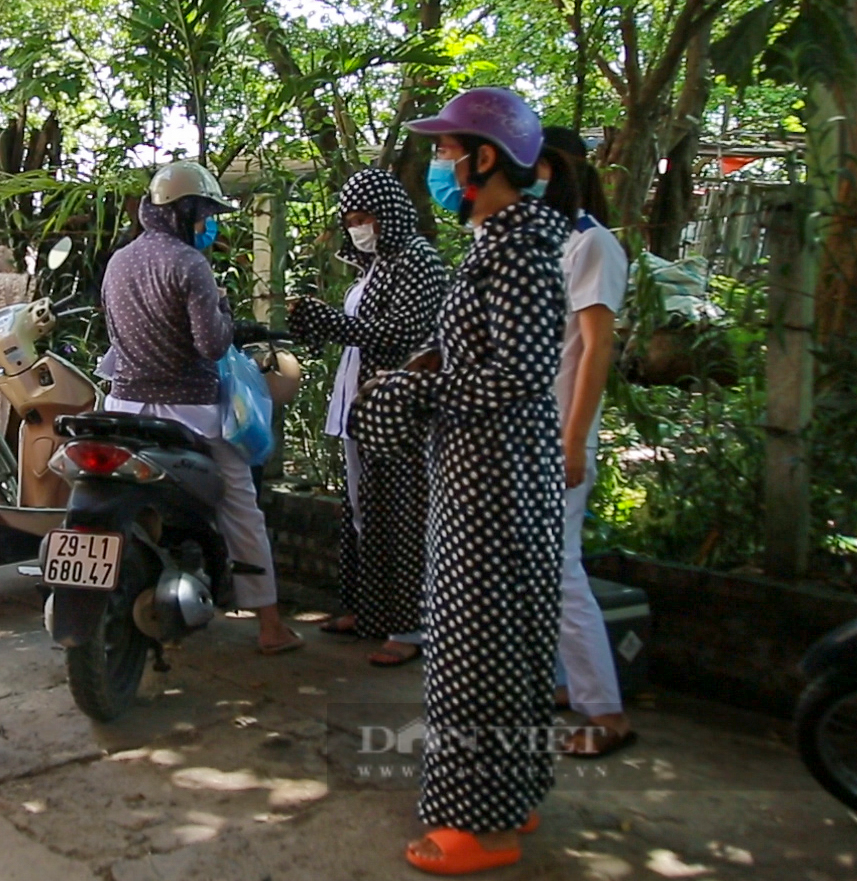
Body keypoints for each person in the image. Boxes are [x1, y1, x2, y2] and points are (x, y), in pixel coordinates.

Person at [349, 88, 575, 875]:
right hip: (482, 472)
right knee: (504, 645)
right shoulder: (497, 244)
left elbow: (517, 372)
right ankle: (510, 794)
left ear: (483, 159)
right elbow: (476, 352)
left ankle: (478, 828)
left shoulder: (517, 249)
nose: (438, 166)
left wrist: (419, 391)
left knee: (472, 653)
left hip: (493, 482)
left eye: (446, 152)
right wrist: (426, 365)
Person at [99, 160, 303, 655]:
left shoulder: (119, 261)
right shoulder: (189, 264)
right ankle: (270, 626)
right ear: (183, 210)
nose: (207, 224)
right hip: (189, 412)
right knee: (240, 503)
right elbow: (212, 346)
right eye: (203, 213)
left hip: (122, 407)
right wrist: (227, 315)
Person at [286, 168, 445, 667]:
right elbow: (362, 328)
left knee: (402, 517)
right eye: (351, 219)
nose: (358, 227)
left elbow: (403, 333)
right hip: (362, 406)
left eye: (365, 218)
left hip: (400, 412)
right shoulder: (374, 267)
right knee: (363, 512)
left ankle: (411, 628)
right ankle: (368, 611)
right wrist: (319, 321)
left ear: (389, 215)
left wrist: (332, 322)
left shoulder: (417, 262)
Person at [539, 126, 635, 757]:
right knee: (543, 569)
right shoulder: (545, 243)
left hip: (558, 437)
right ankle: (571, 684)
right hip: (530, 437)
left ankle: (605, 712)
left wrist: (574, 442)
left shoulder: (591, 245)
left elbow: (597, 349)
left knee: (559, 569)